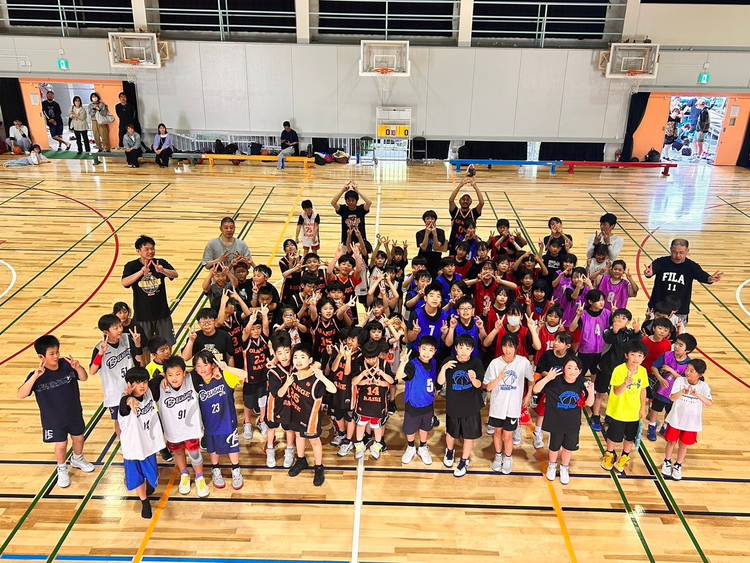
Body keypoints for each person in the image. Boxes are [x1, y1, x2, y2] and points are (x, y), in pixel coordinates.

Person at [17, 335, 95, 489]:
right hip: (53, 419)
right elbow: (21, 394)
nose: (56, 356)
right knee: (61, 445)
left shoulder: (67, 364)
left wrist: (78, 367)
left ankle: (77, 458)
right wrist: (35, 376)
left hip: (74, 413)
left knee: (79, 438)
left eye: (57, 352)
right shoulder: (37, 375)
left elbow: (84, 377)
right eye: (51, 354)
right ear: (41, 357)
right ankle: (62, 468)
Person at [149, 356, 209, 497]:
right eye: (170, 375)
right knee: (178, 453)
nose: (174, 378)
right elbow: (143, 387)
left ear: (184, 373)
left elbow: (205, 369)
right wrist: (160, 377)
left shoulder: (192, 379)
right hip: (173, 431)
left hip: (191, 430)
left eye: (178, 374)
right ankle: (184, 474)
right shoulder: (158, 386)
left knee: (195, 454)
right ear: (165, 375)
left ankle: (199, 477)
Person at [191, 350, 248, 490]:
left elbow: (244, 375)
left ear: (212, 364)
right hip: (209, 424)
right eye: (198, 366)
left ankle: (236, 469)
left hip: (227, 421)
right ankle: (216, 470)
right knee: (213, 449)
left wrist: (226, 368)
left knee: (232, 447)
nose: (202, 369)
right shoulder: (195, 382)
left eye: (205, 365)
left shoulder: (224, 376)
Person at [282, 344, 337, 485]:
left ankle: (318, 467)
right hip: (296, 413)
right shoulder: (293, 376)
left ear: (310, 360)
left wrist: (322, 377)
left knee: (314, 442)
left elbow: (333, 390)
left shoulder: (316, 379)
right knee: (299, 437)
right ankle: (301, 460)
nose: (298, 360)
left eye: (302, 357)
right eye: (295, 357)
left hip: (311, 418)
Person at [534, 357, 594, 485]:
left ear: (580, 371)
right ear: (563, 369)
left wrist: (590, 392)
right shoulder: (555, 380)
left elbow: (589, 403)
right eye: (569, 367)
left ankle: (564, 468)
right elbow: (536, 389)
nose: (572, 371)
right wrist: (547, 378)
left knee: (568, 448)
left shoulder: (582, 383)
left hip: (572, 424)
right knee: (554, 447)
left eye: (576, 369)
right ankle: (552, 465)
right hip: (556, 422)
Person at [483, 334, 534, 475]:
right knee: (497, 433)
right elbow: (487, 387)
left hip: (513, 407)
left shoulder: (523, 362)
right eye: (505, 346)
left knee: (508, 435)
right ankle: (498, 456)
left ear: (516, 347)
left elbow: (531, 380)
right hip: (497, 407)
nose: (507, 349)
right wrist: (499, 378)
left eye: (511, 346)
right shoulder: (495, 363)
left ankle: (508, 458)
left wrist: (528, 394)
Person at [119, 367, 166, 518]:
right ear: (129, 384)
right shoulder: (126, 403)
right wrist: (128, 399)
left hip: (148, 445)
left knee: (152, 476)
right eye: (137, 383)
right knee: (138, 477)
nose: (142, 386)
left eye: (144, 382)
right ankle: (144, 502)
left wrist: (163, 376)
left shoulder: (148, 392)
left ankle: (148, 486)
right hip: (133, 448)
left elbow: (156, 380)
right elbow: (124, 405)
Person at [644, 238, 722, 326]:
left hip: (679, 311)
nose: (678, 255)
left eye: (681, 252)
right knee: (649, 332)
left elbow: (702, 275)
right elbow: (651, 270)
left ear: (687, 251)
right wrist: (648, 273)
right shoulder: (661, 262)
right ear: (670, 249)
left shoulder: (691, 266)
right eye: (674, 252)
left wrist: (710, 279)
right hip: (657, 308)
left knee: (677, 334)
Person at [438, 335, 484, 477]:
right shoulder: (449, 361)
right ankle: (449, 451)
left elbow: (479, 385)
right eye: (461, 347)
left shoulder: (476, 363)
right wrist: (444, 368)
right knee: (451, 433)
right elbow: (440, 382)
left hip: (471, 406)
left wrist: (473, 378)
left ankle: (464, 460)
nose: (464, 351)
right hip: (453, 405)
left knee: (469, 435)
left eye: (467, 348)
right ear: (456, 348)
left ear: (472, 350)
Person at [89, 314, 143, 437]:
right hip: (115, 392)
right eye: (115, 328)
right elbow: (92, 371)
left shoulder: (127, 338)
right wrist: (100, 354)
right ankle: (124, 443)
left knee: (137, 415)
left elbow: (139, 360)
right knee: (119, 420)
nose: (120, 330)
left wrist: (138, 345)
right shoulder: (99, 348)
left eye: (120, 326)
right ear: (106, 332)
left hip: (132, 386)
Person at [601, 340, 648, 475]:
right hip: (618, 411)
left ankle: (624, 456)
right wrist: (625, 383)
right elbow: (616, 392)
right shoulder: (619, 370)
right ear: (626, 355)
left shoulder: (643, 371)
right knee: (613, 436)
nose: (636, 358)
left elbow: (643, 390)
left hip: (633, 413)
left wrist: (642, 408)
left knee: (629, 437)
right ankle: (609, 454)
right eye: (633, 354)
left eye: (639, 356)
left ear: (643, 358)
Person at [121, 235, 178, 346]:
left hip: (162, 313)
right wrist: (141, 272)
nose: (150, 251)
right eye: (147, 249)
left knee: (167, 344)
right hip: (142, 314)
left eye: (152, 248)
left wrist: (163, 271)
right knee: (144, 346)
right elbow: (124, 282)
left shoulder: (160, 262)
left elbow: (175, 274)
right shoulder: (131, 266)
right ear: (138, 251)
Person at [661, 359, 712, 480]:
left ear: (699, 374)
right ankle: (667, 462)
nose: (687, 372)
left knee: (683, 445)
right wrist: (682, 392)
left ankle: (678, 465)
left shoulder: (703, 387)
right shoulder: (680, 381)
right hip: (676, 419)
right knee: (671, 442)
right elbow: (672, 398)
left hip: (691, 423)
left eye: (691, 371)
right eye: (687, 369)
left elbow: (709, 403)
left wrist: (697, 395)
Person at [396, 337, 438, 466]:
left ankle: (423, 447)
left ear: (435, 351)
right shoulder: (412, 365)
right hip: (413, 404)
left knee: (425, 427)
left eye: (430, 350)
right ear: (419, 349)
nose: (426, 353)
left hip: (428, 404)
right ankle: (411, 447)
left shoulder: (434, 362)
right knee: (410, 429)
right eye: (424, 349)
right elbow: (399, 377)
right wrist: (402, 363)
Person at [448, 175, 484, 253]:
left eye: (467, 199)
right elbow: (451, 200)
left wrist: (475, 186)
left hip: (469, 242)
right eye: (463, 199)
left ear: (471, 201)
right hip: (454, 241)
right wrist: (460, 185)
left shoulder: (473, 213)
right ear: (459, 201)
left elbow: (481, 203)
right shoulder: (455, 211)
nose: (465, 201)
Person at [331, 181, 372, 249]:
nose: (350, 202)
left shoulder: (361, 209)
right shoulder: (343, 209)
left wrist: (357, 190)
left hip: (360, 241)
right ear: (345, 201)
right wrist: (343, 190)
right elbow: (333, 202)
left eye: (353, 200)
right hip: (346, 241)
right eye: (348, 200)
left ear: (356, 200)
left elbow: (369, 202)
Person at [415, 210, 448, 277]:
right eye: (427, 219)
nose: (430, 221)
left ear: (435, 220)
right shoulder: (419, 233)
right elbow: (423, 247)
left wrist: (434, 234)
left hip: (436, 260)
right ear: (424, 221)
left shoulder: (440, 232)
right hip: (423, 261)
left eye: (432, 219)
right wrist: (427, 234)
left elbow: (436, 247)